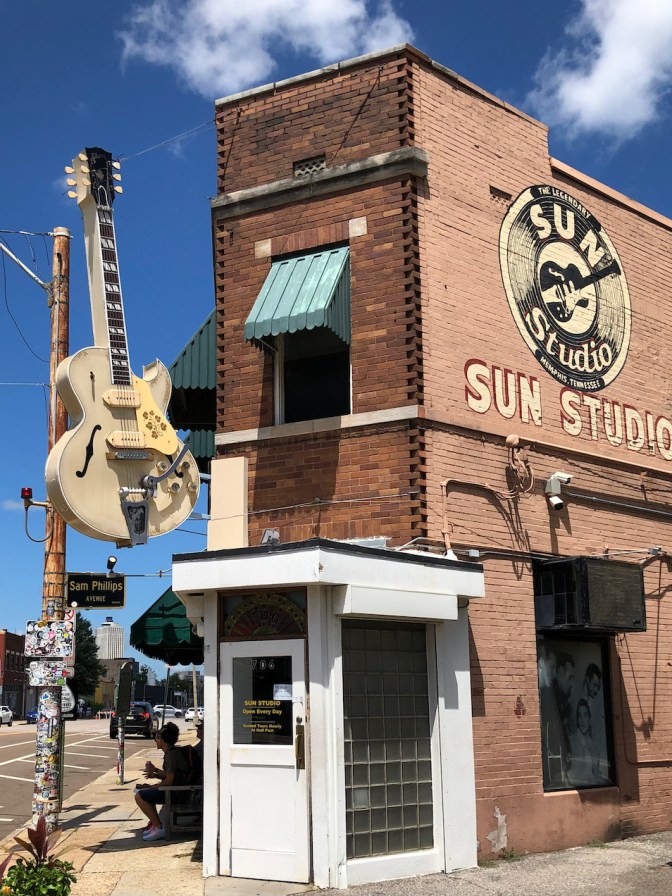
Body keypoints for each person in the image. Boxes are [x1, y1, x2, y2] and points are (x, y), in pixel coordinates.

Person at [134, 722, 189, 842]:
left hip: (176, 793)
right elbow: (170, 774)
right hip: (175, 790)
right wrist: (155, 772)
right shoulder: (171, 753)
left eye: (157, 738)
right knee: (140, 790)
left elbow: (169, 780)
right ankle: (155, 823)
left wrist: (153, 787)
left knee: (140, 796)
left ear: (163, 740)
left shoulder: (172, 755)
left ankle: (159, 827)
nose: (156, 740)